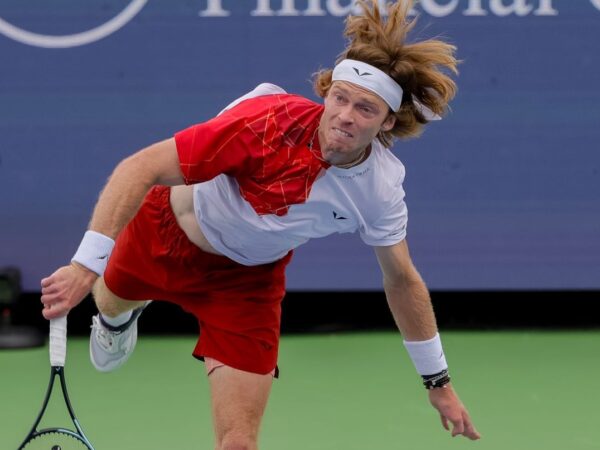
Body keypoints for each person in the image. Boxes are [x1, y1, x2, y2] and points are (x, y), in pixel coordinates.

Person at [40, 0, 481, 448]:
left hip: (245, 282)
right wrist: (84, 266)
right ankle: (115, 323)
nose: (346, 116)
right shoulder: (267, 122)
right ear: (327, 95)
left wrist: (438, 381)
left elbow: (402, 281)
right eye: (340, 98)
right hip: (163, 231)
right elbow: (141, 167)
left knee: (239, 443)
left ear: (387, 121)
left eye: (365, 109)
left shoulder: (380, 189)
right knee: (111, 303)